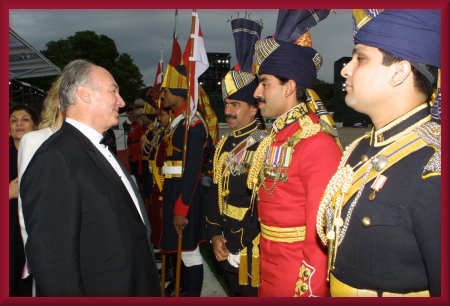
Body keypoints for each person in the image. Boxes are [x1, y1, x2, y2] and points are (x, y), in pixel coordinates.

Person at [316, 9, 441, 297]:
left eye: (360, 59)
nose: (346, 69)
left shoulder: (434, 166)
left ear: (399, 72)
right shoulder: (358, 149)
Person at [20, 59, 160, 296]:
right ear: (84, 94)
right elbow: (54, 262)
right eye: (113, 91)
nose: (121, 101)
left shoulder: (92, 147)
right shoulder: (55, 158)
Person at [248, 10, 342, 297]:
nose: (257, 93)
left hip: (297, 280)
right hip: (270, 266)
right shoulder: (278, 137)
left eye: (264, 83)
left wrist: (309, 291)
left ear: (289, 87)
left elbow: (321, 237)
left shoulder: (316, 144)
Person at [205, 16, 266, 297]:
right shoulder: (224, 145)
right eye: (227, 103)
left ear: (254, 109)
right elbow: (216, 192)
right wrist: (215, 234)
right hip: (225, 241)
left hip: (251, 247)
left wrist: (242, 245)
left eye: (236, 104)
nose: (228, 110)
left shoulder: (264, 145)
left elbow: (264, 205)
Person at [158, 43, 208, 296]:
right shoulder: (177, 122)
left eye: (167, 90)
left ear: (179, 91)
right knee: (180, 252)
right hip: (173, 191)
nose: (163, 94)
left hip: (185, 196)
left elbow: (191, 170)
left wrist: (181, 208)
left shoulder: (193, 124)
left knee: (190, 253)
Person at [17, 76, 63, 296]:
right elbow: (26, 205)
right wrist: (35, 256)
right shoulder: (35, 140)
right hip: (52, 252)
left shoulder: (96, 142)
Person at [9, 104, 39, 297]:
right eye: (13, 120)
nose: (18, 123)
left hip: (36, 228)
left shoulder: (43, 155)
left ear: (35, 127)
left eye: (25, 119)